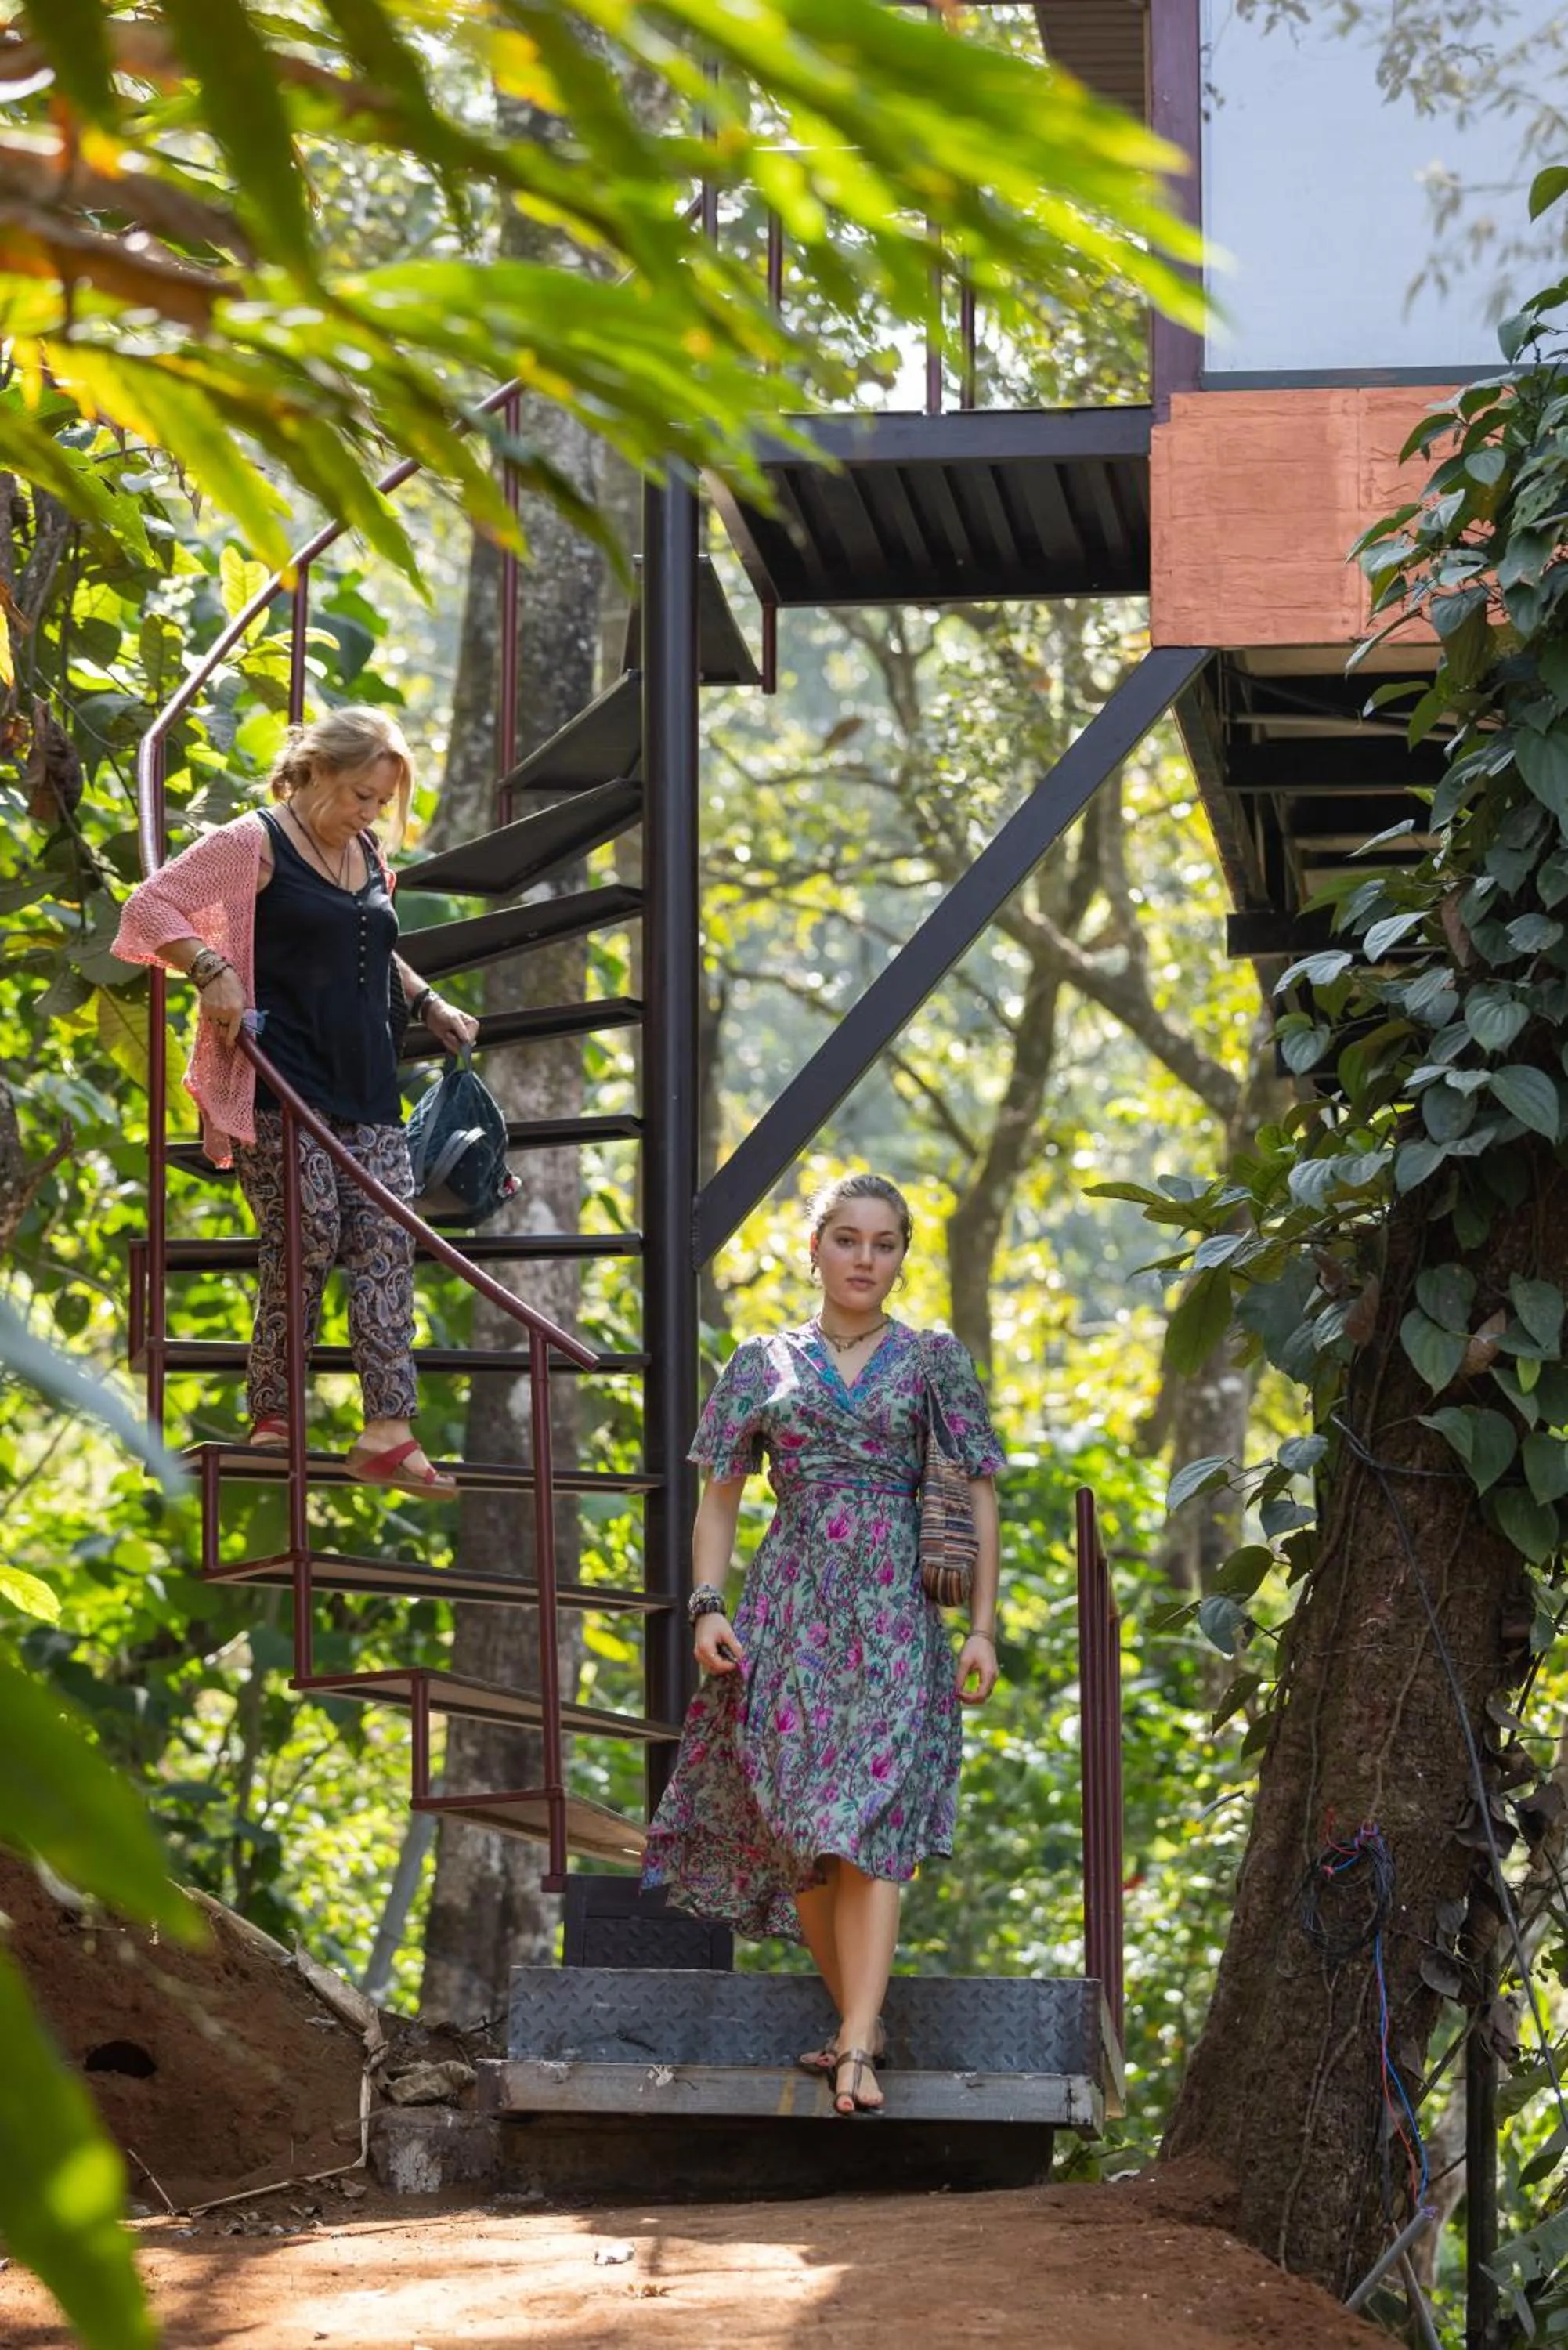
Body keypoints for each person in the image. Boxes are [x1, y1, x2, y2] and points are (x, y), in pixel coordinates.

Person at [641, 1171, 1004, 2117]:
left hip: (895, 1615)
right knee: (801, 1832)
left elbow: (977, 1493)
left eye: (884, 1244)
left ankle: (850, 2049)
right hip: (789, 1614)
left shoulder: (932, 1359)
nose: (864, 1260)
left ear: (901, 1256)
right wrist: (708, 1606)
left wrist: (982, 1630)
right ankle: (862, 2021)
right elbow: (718, 1495)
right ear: (815, 1248)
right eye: (848, 1240)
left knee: (875, 1828)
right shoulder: (763, 1362)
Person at [114, 707, 478, 1495]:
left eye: (381, 801)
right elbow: (149, 907)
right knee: (305, 1237)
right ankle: (274, 1414)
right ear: (313, 772)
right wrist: (210, 966)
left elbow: (372, 942)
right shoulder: (255, 843)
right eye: (359, 795)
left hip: (369, 1089)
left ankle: (389, 1429)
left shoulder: (367, 850)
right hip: (283, 1086)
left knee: (386, 1247)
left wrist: (427, 1005)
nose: (370, 813)